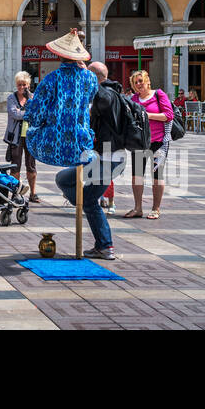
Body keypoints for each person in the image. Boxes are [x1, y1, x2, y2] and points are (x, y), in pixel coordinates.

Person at [62, 61, 131, 260]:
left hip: (110, 159)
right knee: (63, 179)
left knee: (89, 199)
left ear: (95, 78)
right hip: (105, 158)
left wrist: (85, 74)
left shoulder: (107, 95)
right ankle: (103, 243)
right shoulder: (109, 94)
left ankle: (105, 245)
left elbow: (101, 101)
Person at [125, 69, 174, 219]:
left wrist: (147, 115)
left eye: (141, 80)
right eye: (135, 82)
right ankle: (138, 208)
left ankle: (155, 208)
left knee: (157, 176)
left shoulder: (159, 94)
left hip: (158, 142)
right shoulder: (134, 99)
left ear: (148, 81)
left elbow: (168, 115)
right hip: (140, 142)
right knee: (137, 176)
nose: (139, 84)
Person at [3, 71, 39, 202]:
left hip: (30, 137)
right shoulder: (11, 98)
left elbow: (37, 114)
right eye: (19, 85)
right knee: (15, 166)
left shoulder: (33, 97)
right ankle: (15, 192)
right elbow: (14, 114)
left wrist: (28, 107)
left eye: (24, 85)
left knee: (31, 165)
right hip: (15, 137)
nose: (22, 87)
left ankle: (33, 193)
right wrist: (29, 112)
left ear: (29, 85)